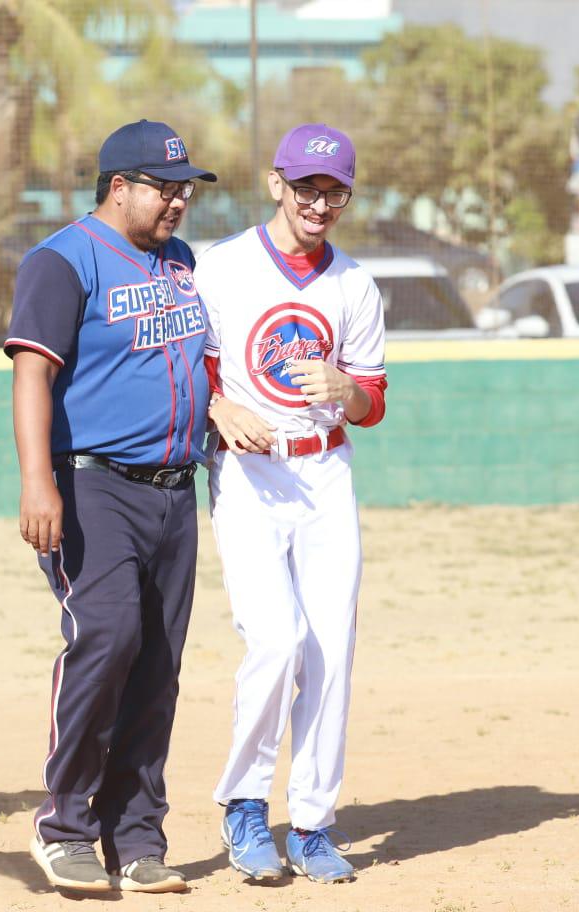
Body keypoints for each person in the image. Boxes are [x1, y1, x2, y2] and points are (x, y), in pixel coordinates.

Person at [6, 119, 216, 895]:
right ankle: (63, 824)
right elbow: (32, 373)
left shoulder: (180, 262)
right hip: (92, 485)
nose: (179, 201)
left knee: (158, 664)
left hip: (173, 489)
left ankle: (134, 836)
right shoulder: (63, 261)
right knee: (108, 637)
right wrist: (39, 481)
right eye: (165, 187)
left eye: (185, 188)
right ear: (118, 187)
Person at [193, 123, 387, 884]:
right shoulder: (226, 267)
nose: (319, 202)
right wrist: (215, 408)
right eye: (306, 186)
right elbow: (188, 366)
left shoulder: (355, 285)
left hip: (325, 474)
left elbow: (373, 401)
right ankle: (244, 803)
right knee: (274, 641)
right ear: (276, 184)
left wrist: (349, 391)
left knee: (329, 649)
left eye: (333, 190)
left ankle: (311, 821)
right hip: (249, 475)